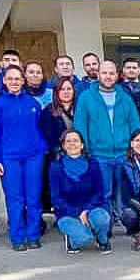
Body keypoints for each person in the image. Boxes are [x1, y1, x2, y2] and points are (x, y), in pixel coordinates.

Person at [0, 64, 47, 251]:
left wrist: (41, 148)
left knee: (34, 198)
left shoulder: (32, 103)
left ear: (23, 81)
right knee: (14, 198)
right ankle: (17, 237)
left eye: (17, 79)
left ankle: (33, 235)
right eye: (10, 78)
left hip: (33, 157)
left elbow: (40, 127)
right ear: (4, 80)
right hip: (9, 158)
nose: (14, 82)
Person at [74, 60, 140, 219]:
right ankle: (106, 223)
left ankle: (124, 221)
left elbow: (135, 125)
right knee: (103, 192)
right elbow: (80, 126)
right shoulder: (86, 97)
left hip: (123, 154)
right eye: (104, 73)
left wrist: (134, 148)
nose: (108, 76)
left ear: (117, 75)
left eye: (111, 73)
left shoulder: (125, 97)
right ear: (98, 74)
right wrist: (85, 150)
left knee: (123, 192)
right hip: (98, 155)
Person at [50, 130, 112, 255]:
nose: (72, 144)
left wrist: (86, 210)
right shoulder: (55, 167)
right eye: (68, 141)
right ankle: (72, 241)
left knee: (101, 219)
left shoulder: (93, 164)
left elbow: (99, 192)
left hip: (92, 208)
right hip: (67, 212)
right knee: (85, 238)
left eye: (76, 140)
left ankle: (102, 239)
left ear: (82, 145)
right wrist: (77, 213)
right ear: (63, 146)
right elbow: (56, 198)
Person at [40, 76, 77, 220]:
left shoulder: (80, 108)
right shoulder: (49, 112)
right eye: (62, 89)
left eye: (69, 88)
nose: (66, 92)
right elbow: (47, 136)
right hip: (58, 157)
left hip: (79, 155)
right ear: (56, 92)